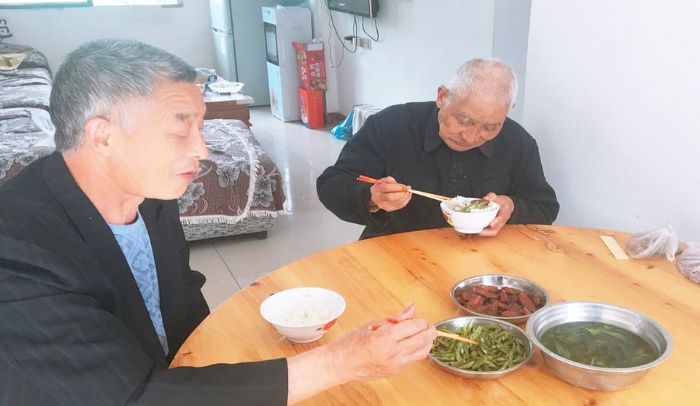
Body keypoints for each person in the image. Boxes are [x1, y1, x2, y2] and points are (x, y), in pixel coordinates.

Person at [0, 39, 436, 405]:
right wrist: (342, 361)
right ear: (103, 136)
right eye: (179, 129)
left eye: (202, 127)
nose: (203, 151)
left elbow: (184, 297)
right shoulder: (19, 251)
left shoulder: (151, 195)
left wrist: (230, 364)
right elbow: (132, 399)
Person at [317, 58, 559, 240]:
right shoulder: (392, 124)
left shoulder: (517, 141)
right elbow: (332, 184)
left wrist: (512, 206)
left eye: (490, 127)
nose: (472, 137)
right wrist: (371, 198)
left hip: (482, 261)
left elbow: (545, 207)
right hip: (393, 251)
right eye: (463, 120)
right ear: (442, 96)